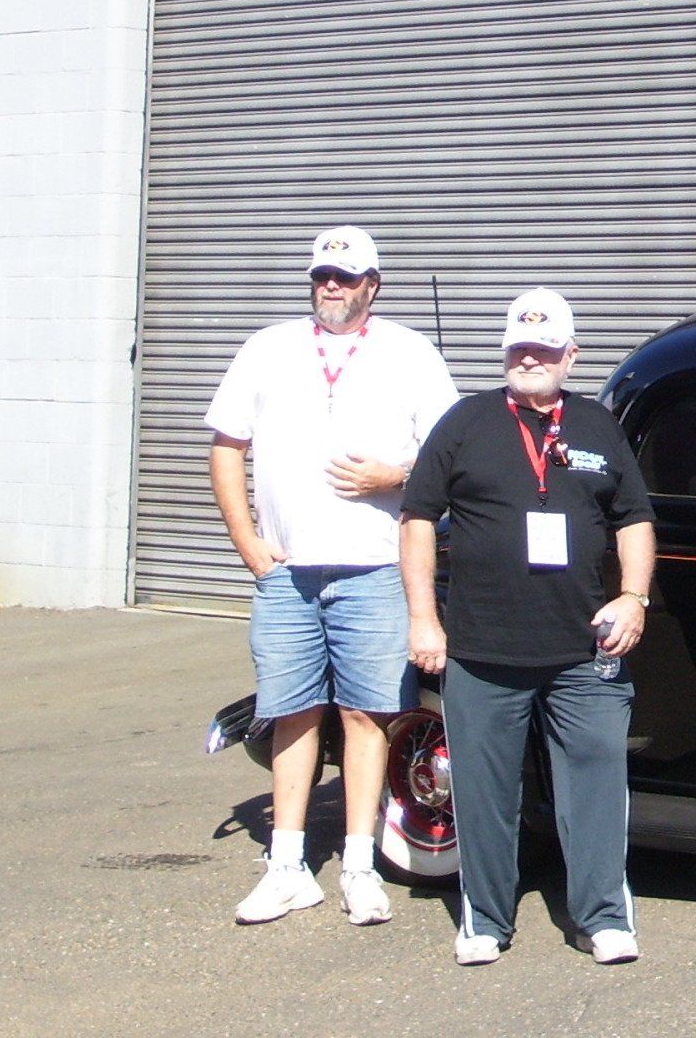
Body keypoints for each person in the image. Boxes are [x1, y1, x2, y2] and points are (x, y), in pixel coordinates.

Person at [206, 225, 460, 926]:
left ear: (372, 285)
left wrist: (394, 475)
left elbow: (449, 454)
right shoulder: (267, 348)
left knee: (366, 716)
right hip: (288, 575)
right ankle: (287, 868)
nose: (331, 286)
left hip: (375, 570)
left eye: (345, 277)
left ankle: (358, 866)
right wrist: (248, 543)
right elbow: (226, 446)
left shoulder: (411, 352)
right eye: (322, 275)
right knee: (291, 714)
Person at [400, 287, 656, 968]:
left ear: (571, 355)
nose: (529, 359)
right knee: (484, 796)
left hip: (584, 651)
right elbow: (417, 518)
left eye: (543, 349)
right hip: (482, 651)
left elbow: (634, 518)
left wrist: (634, 597)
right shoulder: (466, 422)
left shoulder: (597, 425)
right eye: (519, 349)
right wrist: (423, 619)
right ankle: (485, 920)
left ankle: (603, 917)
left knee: (596, 789)